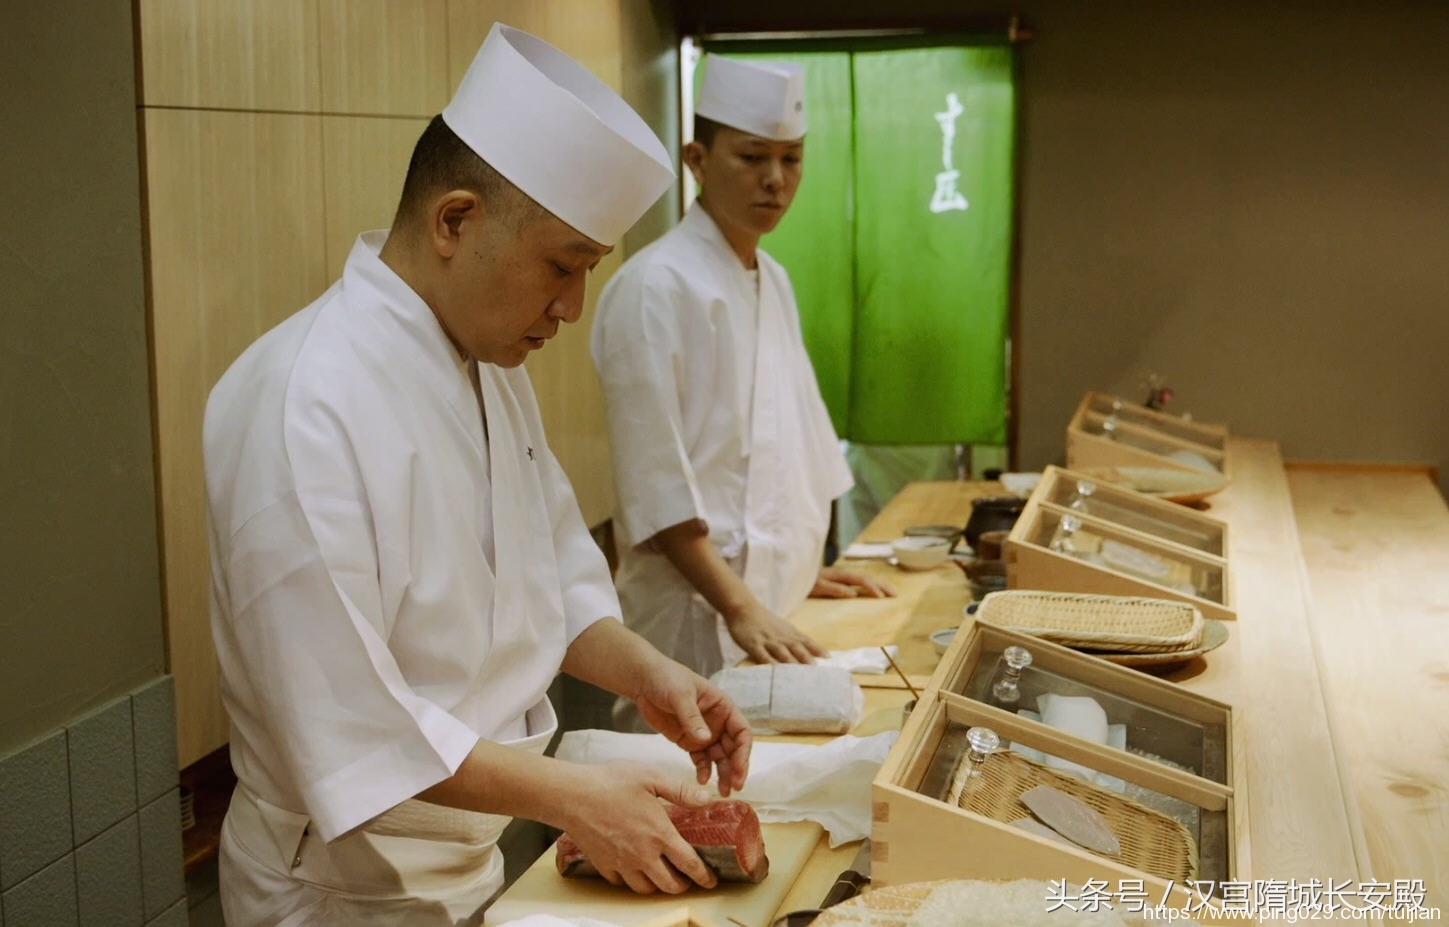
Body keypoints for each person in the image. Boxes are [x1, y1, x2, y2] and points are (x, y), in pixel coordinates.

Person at [203, 24, 752, 926]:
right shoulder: (301, 400)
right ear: (455, 220)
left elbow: (551, 589)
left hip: (475, 851)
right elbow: (350, 728)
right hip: (337, 887)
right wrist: (575, 798)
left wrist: (651, 673)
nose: (572, 308)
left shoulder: (485, 367)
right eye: (562, 266)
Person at [591, 55, 894, 730]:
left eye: (791, 159)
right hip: (694, 610)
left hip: (767, 599)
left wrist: (792, 569)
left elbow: (787, 440)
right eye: (753, 155)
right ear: (697, 158)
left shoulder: (773, 278)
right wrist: (739, 601)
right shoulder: (653, 287)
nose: (774, 179)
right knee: (690, 784)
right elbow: (656, 483)